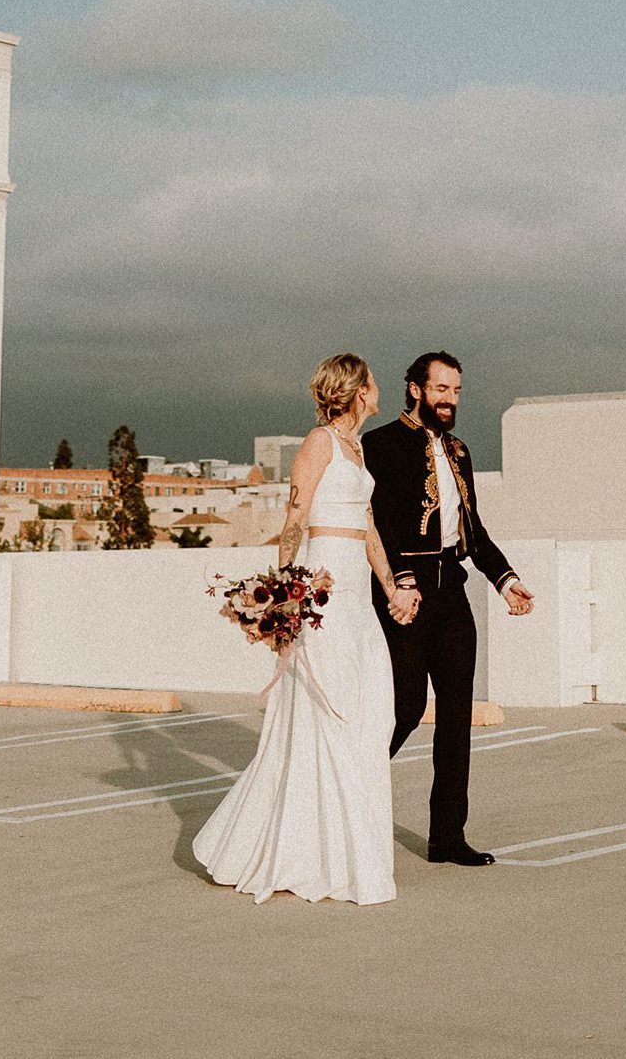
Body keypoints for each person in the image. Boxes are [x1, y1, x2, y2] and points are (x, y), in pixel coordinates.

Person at [194, 354, 420, 905]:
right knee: (328, 709)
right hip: (321, 582)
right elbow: (295, 520)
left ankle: (347, 849)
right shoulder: (318, 441)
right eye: (373, 380)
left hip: (357, 591)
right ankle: (317, 856)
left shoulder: (358, 447)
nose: (379, 387)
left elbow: (366, 525)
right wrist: (283, 599)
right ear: (357, 390)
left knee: (371, 711)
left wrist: (390, 587)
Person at [364, 351, 536, 867]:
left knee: (457, 718)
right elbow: (382, 525)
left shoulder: (459, 451)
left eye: (456, 391)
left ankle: (447, 836)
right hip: (404, 594)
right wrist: (401, 582)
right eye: (441, 389)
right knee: (405, 708)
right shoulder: (381, 445)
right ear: (415, 388)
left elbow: (473, 531)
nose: (450, 400)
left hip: (452, 593)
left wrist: (506, 581)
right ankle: (349, 797)